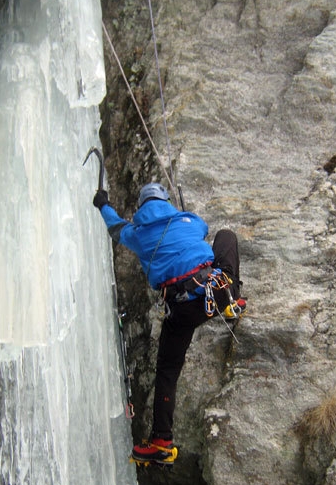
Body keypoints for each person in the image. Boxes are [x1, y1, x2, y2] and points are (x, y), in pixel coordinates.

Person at [93, 182, 246, 464]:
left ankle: (162, 441)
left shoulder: (137, 234)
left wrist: (103, 203)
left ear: (141, 208)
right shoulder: (189, 220)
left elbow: (115, 228)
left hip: (181, 307)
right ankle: (231, 300)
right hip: (212, 291)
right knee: (226, 237)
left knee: (168, 371)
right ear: (165, 200)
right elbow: (202, 230)